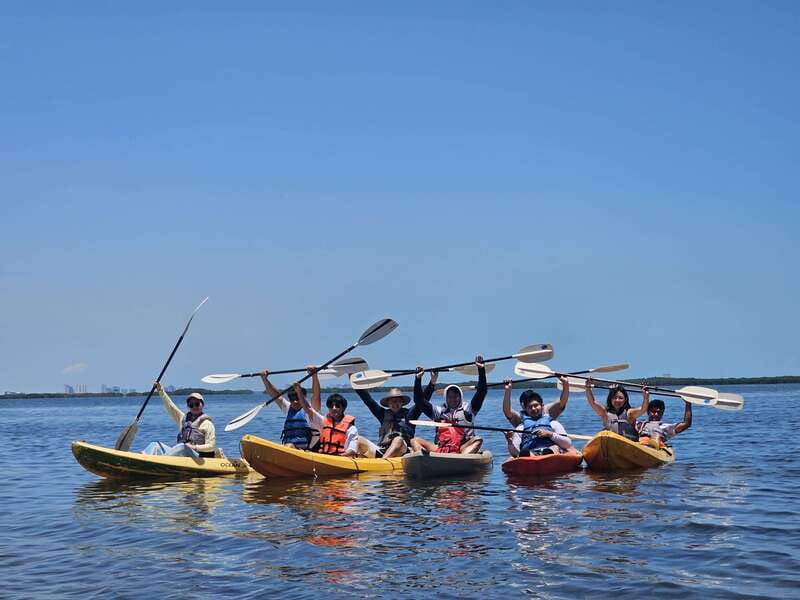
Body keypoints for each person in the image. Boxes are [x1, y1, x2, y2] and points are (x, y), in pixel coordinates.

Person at [411, 356, 487, 454]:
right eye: (450, 397)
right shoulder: (439, 412)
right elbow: (419, 400)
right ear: (446, 398)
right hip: (441, 449)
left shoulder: (468, 410)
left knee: (478, 439)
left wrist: (481, 369)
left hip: (462, 448)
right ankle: (423, 460)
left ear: (460, 397)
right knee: (414, 440)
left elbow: (481, 392)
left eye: (456, 396)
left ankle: (460, 458)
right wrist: (418, 379)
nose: (453, 399)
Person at [502, 379, 575, 456]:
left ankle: (549, 453)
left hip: (551, 449)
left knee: (554, 447)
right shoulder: (521, 426)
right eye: (529, 406)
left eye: (536, 405)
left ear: (542, 405)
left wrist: (565, 385)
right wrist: (508, 390)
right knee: (525, 452)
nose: (533, 409)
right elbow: (507, 411)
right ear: (524, 407)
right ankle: (530, 456)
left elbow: (562, 403)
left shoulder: (551, 419)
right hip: (531, 452)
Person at [142, 382, 217, 458]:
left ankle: (160, 460)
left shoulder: (207, 424)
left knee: (183, 447)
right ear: (188, 407)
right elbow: (171, 407)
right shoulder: (183, 419)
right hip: (184, 455)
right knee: (155, 445)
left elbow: (211, 446)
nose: (194, 406)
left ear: (202, 405)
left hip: (199, 457)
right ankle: (142, 459)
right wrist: (160, 390)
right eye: (191, 405)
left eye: (197, 404)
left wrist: (194, 447)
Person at [293, 381, 361, 457]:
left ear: (343, 408)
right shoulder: (323, 422)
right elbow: (308, 409)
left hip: (341, 458)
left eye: (337, 406)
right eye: (331, 406)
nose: (334, 408)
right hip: (325, 456)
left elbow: (351, 451)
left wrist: (337, 458)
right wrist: (299, 391)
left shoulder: (351, 429)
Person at [260, 367, 321, 450]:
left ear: (304, 397)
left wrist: (314, 376)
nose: (295, 402)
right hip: (290, 449)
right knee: (288, 446)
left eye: (297, 398)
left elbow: (316, 396)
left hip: (307, 451)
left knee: (289, 446)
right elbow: (275, 395)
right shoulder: (288, 408)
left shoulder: (311, 410)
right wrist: (264, 379)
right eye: (292, 399)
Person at [355, 386, 424, 458]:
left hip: (403, 451)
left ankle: (382, 461)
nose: (395, 404)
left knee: (398, 439)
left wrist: (430, 383)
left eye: (397, 401)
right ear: (388, 404)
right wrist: (355, 382)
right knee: (358, 439)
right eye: (392, 401)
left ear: (402, 402)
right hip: (383, 449)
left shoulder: (410, 414)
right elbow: (367, 400)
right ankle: (353, 460)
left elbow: (423, 401)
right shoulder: (382, 414)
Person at [585, 379, 649, 441]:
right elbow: (592, 402)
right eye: (614, 397)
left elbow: (643, 409)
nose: (617, 400)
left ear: (625, 399)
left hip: (627, 445)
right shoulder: (604, 412)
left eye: (620, 398)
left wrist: (646, 396)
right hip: (611, 444)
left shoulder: (629, 413)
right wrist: (588, 388)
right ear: (610, 399)